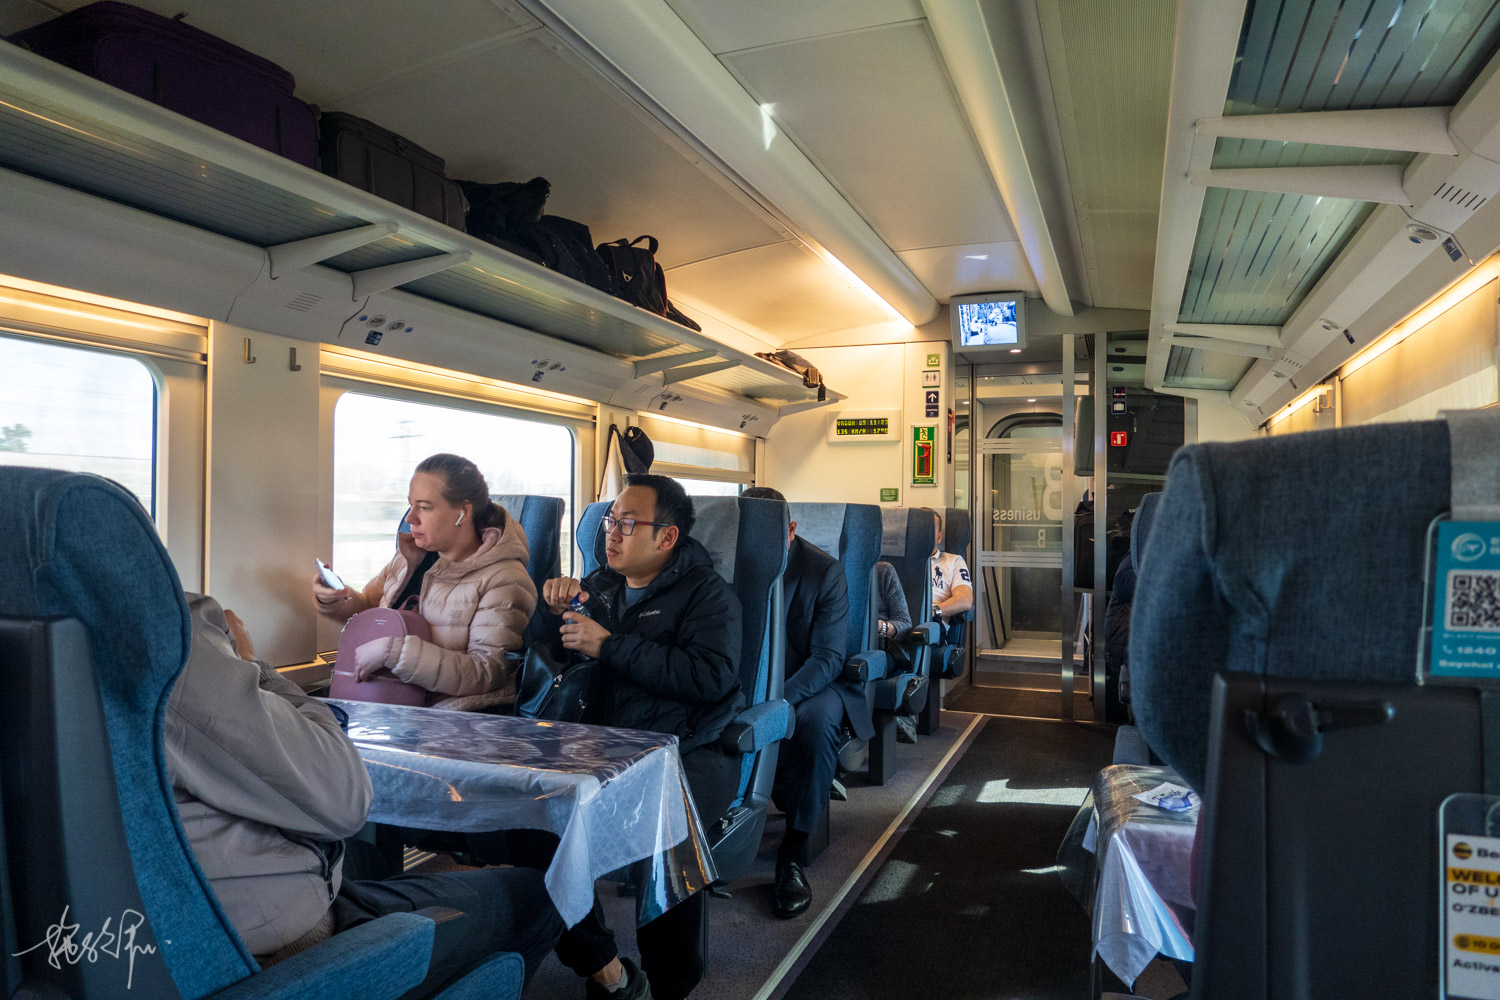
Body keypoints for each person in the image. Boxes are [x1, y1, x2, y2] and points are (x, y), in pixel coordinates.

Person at [168, 593, 566, 996]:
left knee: (367, 852)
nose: (411, 526)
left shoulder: (494, 579)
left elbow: (487, 671)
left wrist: (385, 638)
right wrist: (254, 664)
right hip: (270, 940)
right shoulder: (174, 638)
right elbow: (346, 798)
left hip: (208, 910)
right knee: (541, 902)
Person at [527, 473, 743, 1000]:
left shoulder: (709, 595)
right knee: (532, 822)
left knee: (664, 831)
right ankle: (606, 969)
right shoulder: (598, 588)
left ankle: (670, 984)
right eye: (609, 520)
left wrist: (609, 647)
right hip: (599, 749)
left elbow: (710, 676)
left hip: (684, 750)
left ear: (666, 537)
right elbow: (543, 662)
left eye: (627, 523)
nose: (611, 533)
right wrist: (548, 614)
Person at [313, 453, 536, 707]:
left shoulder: (504, 579)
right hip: (384, 699)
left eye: (425, 507)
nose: (410, 518)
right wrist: (337, 597)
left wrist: (393, 653)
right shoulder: (409, 557)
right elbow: (368, 607)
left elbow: (486, 672)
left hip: (442, 714)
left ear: (463, 512)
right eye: (410, 504)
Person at [741, 486, 866, 920]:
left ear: (790, 529)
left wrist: (776, 700)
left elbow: (828, 657)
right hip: (745, 682)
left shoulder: (823, 571)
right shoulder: (728, 564)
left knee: (815, 723)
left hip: (808, 683)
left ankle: (792, 854)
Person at [873, 559, 919, 744]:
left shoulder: (882, 572)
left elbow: (904, 623)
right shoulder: (826, 570)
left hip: (884, 647)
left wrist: (881, 626)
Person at [923, 507, 973, 622]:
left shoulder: (954, 561)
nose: (924, 535)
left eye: (930, 530)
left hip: (932, 620)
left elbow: (965, 599)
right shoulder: (897, 563)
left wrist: (933, 611)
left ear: (939, 537)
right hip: (899, 619)